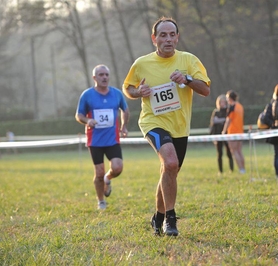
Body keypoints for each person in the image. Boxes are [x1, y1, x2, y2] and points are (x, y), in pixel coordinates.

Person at [122, 17, 210, 236]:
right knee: (170, 163)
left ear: (177, 37)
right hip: (153, 121)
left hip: (180, 127)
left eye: (172, 35)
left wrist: (187, 79)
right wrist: (137, 93)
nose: (168, 39)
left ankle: (157, 218)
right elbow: (128, 88)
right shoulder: (142, 63)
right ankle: (170, 220)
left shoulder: (189, 60)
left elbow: (205, 90)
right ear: (154, 39)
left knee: (169, 170)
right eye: (163, 35)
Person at [75, 64, 130, 210]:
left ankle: (108, 178)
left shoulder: (117, 93)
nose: (104, 77)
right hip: (95, 140)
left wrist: (123, 126)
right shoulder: (87, 95)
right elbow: (79, 115)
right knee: (98, 173)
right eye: (101, 75)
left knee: (117, 168)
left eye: (106, 74)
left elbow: (125, 110)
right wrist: (87, 121)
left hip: (112, 139)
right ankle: (101, 201)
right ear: (94, 77)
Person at [222, 91, 245, 174]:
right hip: (240, 131)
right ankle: (243, 168)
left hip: (233, 132)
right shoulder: (240, 106)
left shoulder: (232, 107)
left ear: (230, 98)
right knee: (239, 151)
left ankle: (241, 169)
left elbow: (228, 120)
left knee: (234, 151)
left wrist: (224, 131)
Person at [209, 95, 233, 175]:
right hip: (217, 134)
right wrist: (222, 120)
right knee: (219, 153)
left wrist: (220, 120)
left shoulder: (227, 111)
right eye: (221, 102)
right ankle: (220, 171)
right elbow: (213, 122)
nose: (222, 103)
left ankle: (231, 169)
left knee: (229, 152)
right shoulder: (216, 112)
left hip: (226, 134)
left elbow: (228, 120)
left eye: (223, 102)